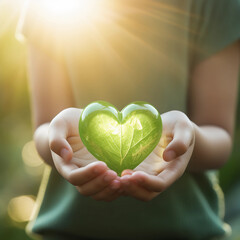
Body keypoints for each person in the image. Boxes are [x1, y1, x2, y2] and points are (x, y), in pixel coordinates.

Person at [17, 0, 240, 239]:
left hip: (186, 232)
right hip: (70, 232)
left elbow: (219, 136)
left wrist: (188, 139)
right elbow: (44, 128)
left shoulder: (216, 4)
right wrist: (60, 142)